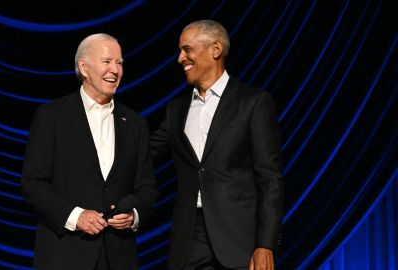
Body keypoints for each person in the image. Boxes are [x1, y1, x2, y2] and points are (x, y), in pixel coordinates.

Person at [151, 20, 284, 270]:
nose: (180, 58)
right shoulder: (176, 109)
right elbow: (144, 155)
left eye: (187, 49)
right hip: (188, 240)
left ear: (215, 49)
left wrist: (266, 244)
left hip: (239, 241)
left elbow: (270, 179)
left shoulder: (253, 103)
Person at [21, 33, 158, 270]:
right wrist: (76, 216)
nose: (115, 70)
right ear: (83, 67)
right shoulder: (52, 116)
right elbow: (32, 183)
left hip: (118, 258)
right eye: (107, 61)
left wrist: (133, 215)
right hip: (65, 254)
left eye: (120, 63)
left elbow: (147, 187)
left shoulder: (135, 123)